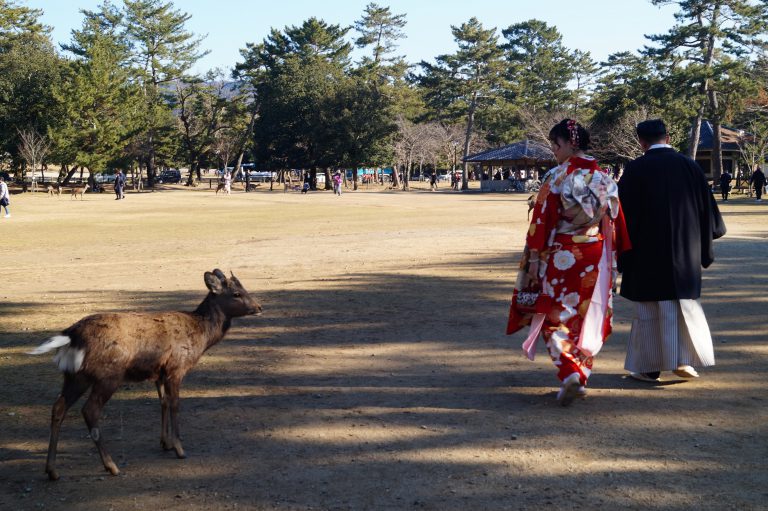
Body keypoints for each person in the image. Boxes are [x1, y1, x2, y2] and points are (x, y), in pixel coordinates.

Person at [506, 119, 630, 406]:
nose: (553, 150)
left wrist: (535, 257)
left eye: (556, 144)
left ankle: (570, 373)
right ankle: (582, 374)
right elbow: (617, 223)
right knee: (586, 316)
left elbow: (542, 220)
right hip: (594, 254)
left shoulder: (557, 177)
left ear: (570, 144)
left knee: (553, 316)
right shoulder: (606, 179)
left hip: (562, 254)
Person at [618, 119, 725, 383]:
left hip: (646, 254)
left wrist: (621, 251)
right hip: (684, 252)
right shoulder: (690, 166)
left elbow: (622, 216)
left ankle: (649, 368)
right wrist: (701, 244)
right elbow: (708, 213)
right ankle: (684, 360)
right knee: (683, 306)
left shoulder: (635, 169)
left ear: (642, 142)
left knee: (650, 311)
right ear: (667, 137)